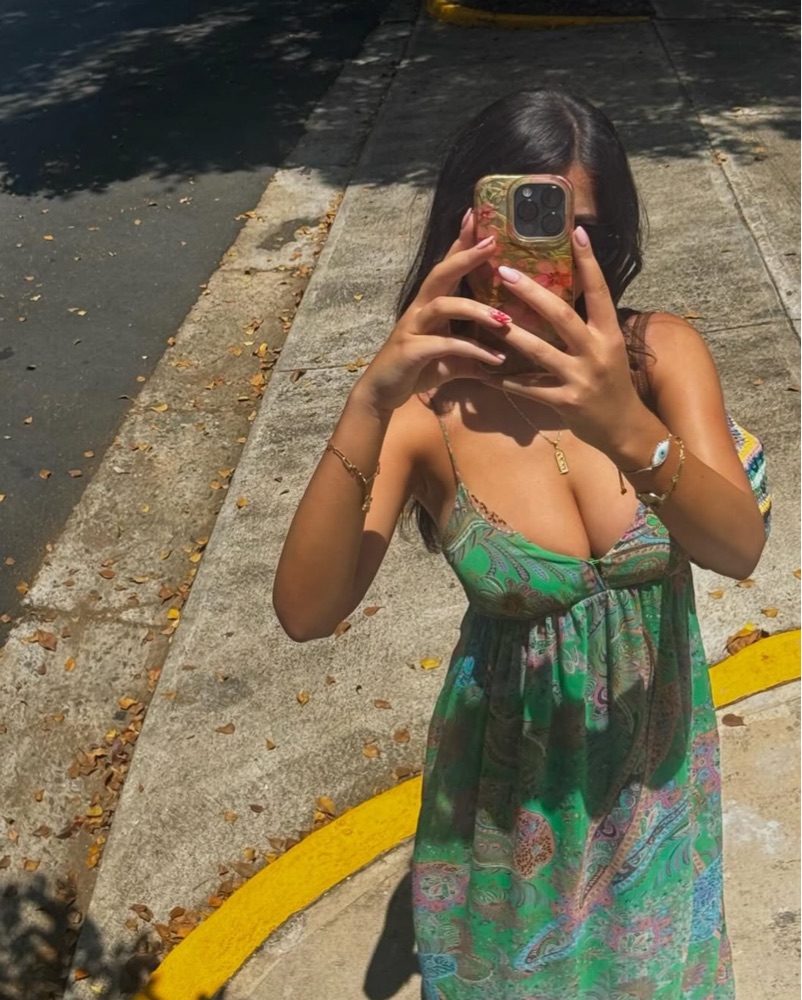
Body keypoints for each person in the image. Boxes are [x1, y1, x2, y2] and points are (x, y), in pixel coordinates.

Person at [273, 89, 767, 999]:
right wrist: (370, 400)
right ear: (467, 228)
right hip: (509, 811)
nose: (544, 258)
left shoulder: (661, 358)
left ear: (608, 238)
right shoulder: (427, 412)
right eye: (516, 225)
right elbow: (306, 611)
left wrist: (625, 424)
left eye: (576, 228)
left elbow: (739, 548)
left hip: (656, 791)